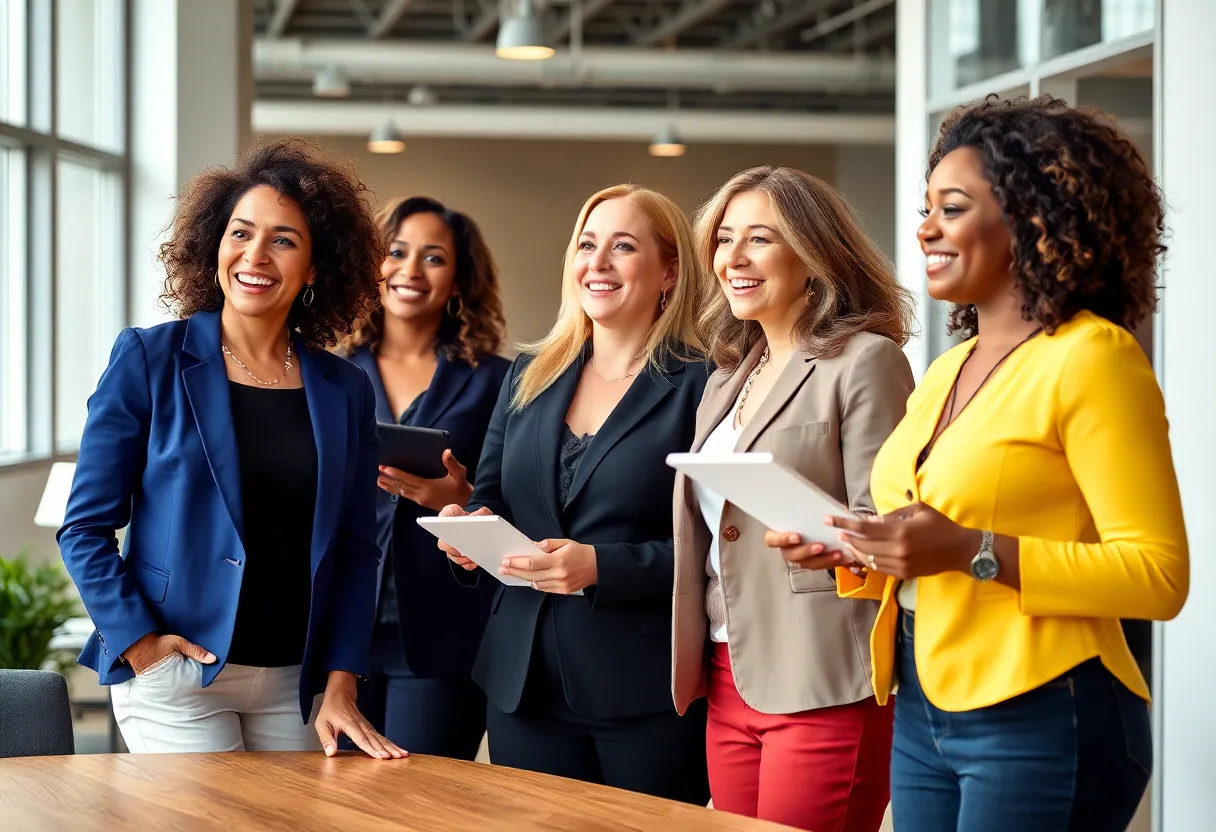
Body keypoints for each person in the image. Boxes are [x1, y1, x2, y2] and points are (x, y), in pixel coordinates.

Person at [774, 96, 1189, 831]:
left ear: (1034, 220)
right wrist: (855, 549)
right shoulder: (946, 368)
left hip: (1045, 708)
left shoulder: (1093, 359)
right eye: (927, 207)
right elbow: (930, 538)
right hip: (924, 702)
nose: (925, 228)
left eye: (952, 207)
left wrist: (972, 551)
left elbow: (1158, 577)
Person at [57, 138, 406, 759]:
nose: (255, 255)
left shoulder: (344, 388)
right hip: (178, 673)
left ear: (316, 266)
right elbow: (84, 526)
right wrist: (139, 643)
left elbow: (356, 551)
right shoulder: (149, 359)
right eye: (240, 233)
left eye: (284, 240)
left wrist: (341, 679)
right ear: (215, 244)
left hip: (295, 683)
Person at [437, 184, 711, 804]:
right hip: (523, 684)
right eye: (588, 245)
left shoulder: (703, 385)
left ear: (669, 272)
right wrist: (470, 534)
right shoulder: (529, 373)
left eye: (623, 247)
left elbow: (719, 545)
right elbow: (493, 499)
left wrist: (601, 566)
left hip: (644, 689)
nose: (599, 262)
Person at [671, 167, 915, 831]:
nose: (735, 259)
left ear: (814, 254)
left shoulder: (866, 361)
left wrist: (827, 539)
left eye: (760, 239)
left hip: (821, 674)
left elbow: (890, 525)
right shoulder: (728, 376)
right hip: (727, 671)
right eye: (724, 239)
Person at [339, 196, 510, 758]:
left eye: (433, 258)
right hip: (339, 631)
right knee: (329, 801)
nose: (411, 270)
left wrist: (463, 499)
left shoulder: (498, 382)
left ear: (458, 281)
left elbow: (519, 498)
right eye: (396, 252)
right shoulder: (327, 372)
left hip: (441, 633)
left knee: (419, 802)